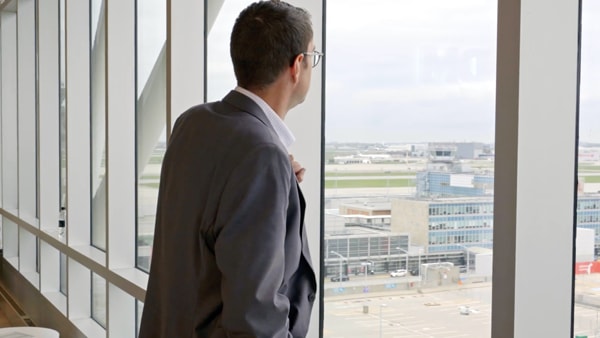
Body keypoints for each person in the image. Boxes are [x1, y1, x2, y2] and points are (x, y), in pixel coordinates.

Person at [138, 1, 322, 337]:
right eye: (313, 57)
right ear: (297, 66)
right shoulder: (261, 153)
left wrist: (278, 174)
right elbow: (255, 315)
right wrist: (271, 166)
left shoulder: (193, 122)